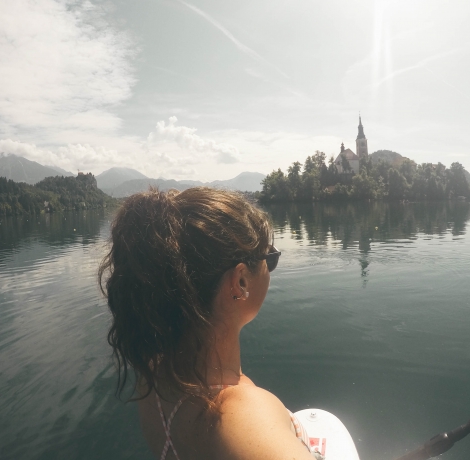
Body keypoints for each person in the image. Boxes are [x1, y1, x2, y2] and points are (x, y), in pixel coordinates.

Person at [99, 187, 316, 459]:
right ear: (240, 282)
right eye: (269, 258)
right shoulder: (243, 418)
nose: (271, 266)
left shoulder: (154, 376)